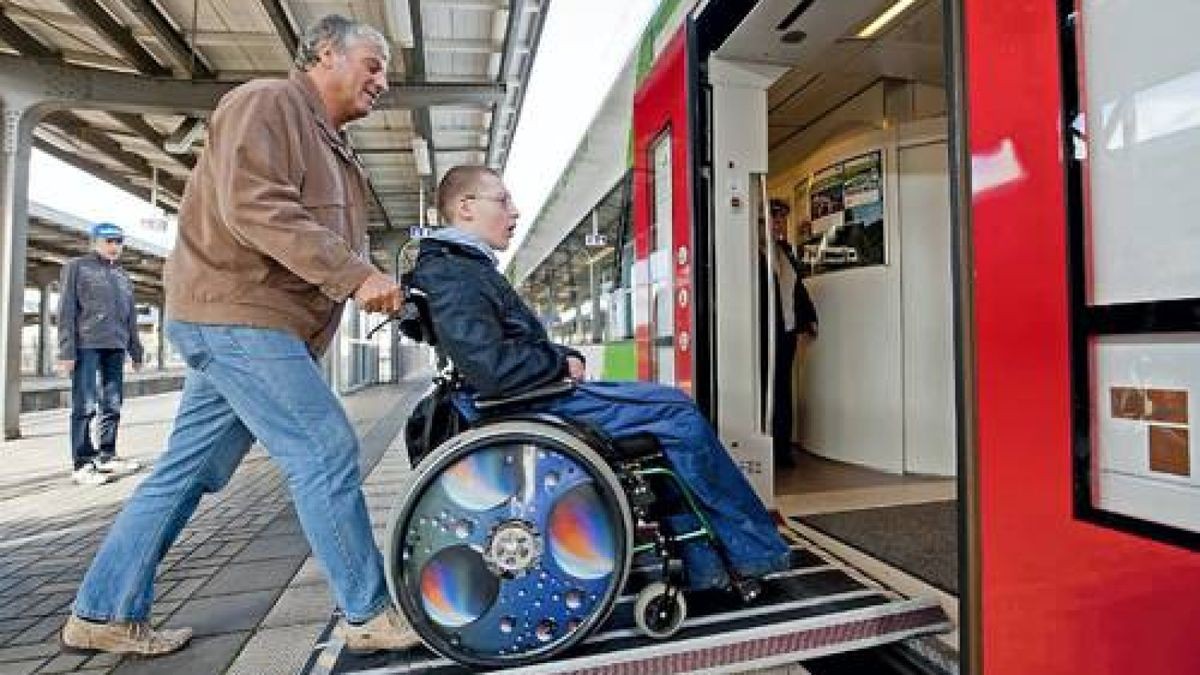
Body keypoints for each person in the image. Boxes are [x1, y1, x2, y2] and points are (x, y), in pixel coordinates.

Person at [61, 14, 416, 657]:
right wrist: (356, 276)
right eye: (373, 65)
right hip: (237, 315)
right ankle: (367, 614)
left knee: (188, 469)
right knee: (325, 447)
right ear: (326, 53)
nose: (383, 82)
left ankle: (102, 611)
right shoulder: (266, 103)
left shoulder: (334, 146)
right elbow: (254, 204)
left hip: (249, 322)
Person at [410, 165, 791, 590]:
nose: (514, 212)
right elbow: (492, 368)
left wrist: (562, 355)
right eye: (502, 201)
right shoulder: (454, 273)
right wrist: (560, 366)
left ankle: (708, 557)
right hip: (534, 403)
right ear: (465, 208)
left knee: (667, 408)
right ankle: (753, 552)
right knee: (677, 415)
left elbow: (497, 351)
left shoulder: (458, 266)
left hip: (531, 397)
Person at [57, 223, 145, 487]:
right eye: (109, 241)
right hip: (86, 344)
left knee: (113, 403)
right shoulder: (77, 267)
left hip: (116, 345)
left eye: (119, 241)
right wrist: (67, 350)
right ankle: (82, 463)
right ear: (94, 241)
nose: (114, 246)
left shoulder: (122, 275)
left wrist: (136, 350)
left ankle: (106, 454)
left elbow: (130, 317)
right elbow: (66, 311)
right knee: (84, 405)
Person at [760, 199, 818, 468]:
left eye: (782, 219)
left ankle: (781, 449)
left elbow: (797, 289)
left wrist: (809, 320)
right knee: (763, 390)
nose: (779, 224)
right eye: (773, 218)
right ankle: (763, 447)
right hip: (762, 334)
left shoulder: (785, 252)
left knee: (782, 389)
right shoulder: (751, 254)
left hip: (785, 332)